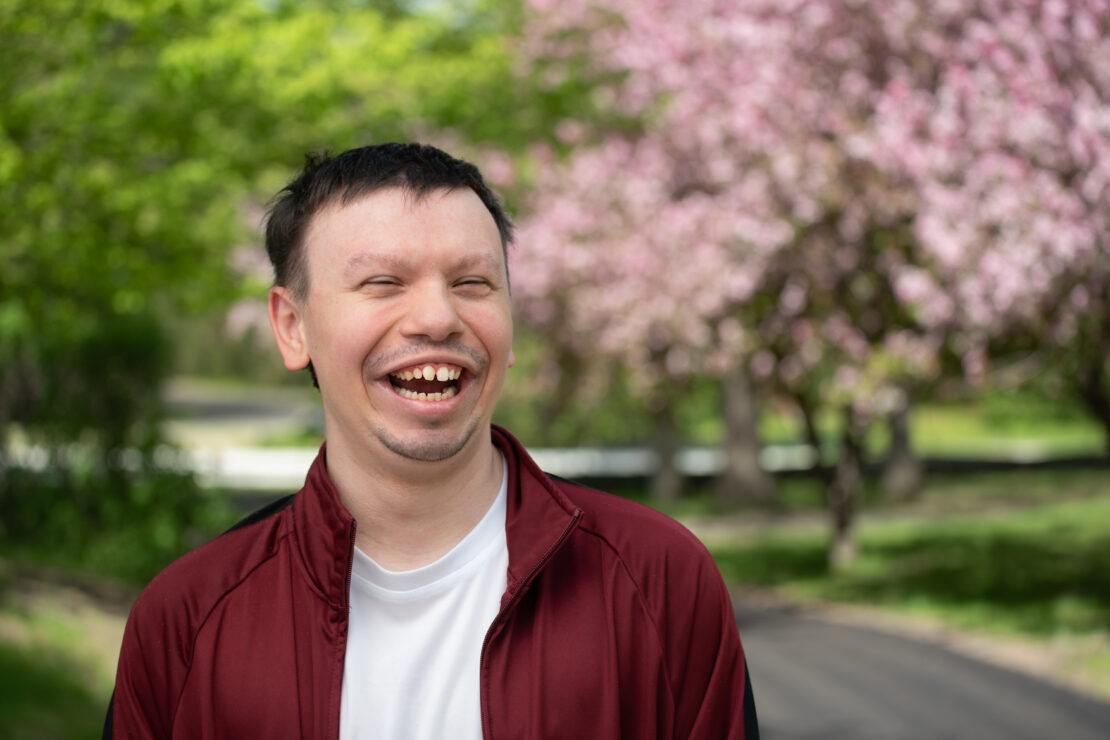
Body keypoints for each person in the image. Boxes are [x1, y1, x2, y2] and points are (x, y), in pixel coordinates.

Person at [105, 143, 759, 739]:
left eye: (472, 284)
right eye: (383, 283)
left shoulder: (657, 579)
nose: (438, 318)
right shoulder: (186, 620)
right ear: (291, 325)